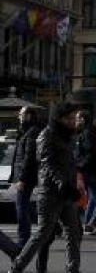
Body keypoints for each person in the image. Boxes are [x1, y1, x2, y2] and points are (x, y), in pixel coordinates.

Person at [8, 103, 83, 273]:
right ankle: (17, 267)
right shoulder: (46, 134)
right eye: (70, 118)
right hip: (50, 193)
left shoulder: (70, 137)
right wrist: (62, 182)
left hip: (68, 193)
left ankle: (73, 269)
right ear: (60, 118)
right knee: (43, 234)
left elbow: (71, 163)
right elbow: (46, 162)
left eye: (74, 118)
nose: (74, 121)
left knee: (74, 233)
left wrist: (75, 182)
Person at [9, 106, 42, 248]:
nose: (18, 116)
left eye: (21, 114)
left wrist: (22, 178)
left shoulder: (32, 132)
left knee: (21, 207)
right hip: (25, 175)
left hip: (26, 176)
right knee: (24, 205)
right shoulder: (27, 131)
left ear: (28, 116)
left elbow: (29, 157)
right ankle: (52, 228)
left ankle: (23, 240)